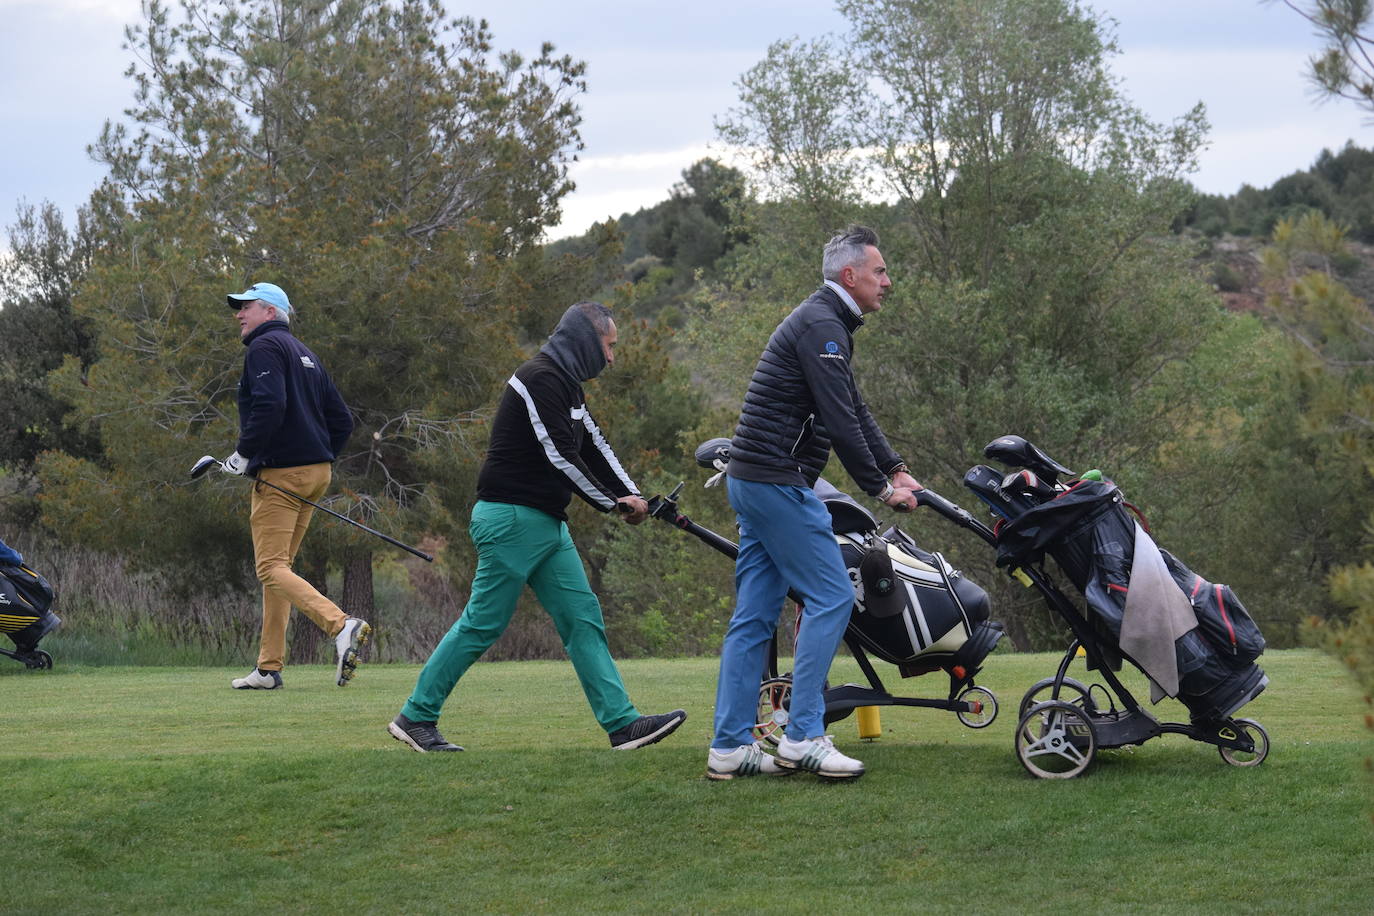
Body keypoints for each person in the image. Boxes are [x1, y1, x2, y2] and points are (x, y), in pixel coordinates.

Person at [388, 301, 686, 753]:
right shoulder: (538, 378)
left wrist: (635, 495)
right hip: (511, 517)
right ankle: (416, 716)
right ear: (586, 340)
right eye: (608, 346)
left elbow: (596, 446)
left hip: (545, 523)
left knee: (583, 619)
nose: (611, 358)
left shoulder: (567, 386)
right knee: (483, 624)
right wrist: (612, 503)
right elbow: (560, 454)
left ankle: (622, 725)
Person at [706, 225, 923, 781]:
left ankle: (729, 746)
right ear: (849, 275)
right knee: (831, 595)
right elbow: (840, 423)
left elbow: (855, 407)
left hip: (754, 482)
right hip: (778, 483)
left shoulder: (826, 323)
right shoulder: (824, 325)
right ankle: (803, 734)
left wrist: (895, 466)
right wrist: (880, 489)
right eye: (880, 272)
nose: (887, 282)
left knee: (754, 617)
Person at [223, 281, 369, 690]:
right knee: (279, 570)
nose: (239, 314)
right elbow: (341, 421)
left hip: (283, 475)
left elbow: (270, 405)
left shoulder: (264, 348)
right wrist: (319, 452)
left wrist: (243, 454)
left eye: (246, 307)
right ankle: (269, 667)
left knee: (270, 567)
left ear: (270, 312)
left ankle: (341, 625)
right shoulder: (305, 353)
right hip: (315, 473)